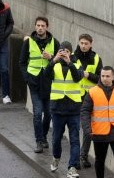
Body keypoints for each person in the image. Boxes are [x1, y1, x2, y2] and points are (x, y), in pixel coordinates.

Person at [48, 41, 85, 177]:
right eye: (62, 51)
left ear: (70, 52)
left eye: (67, 51)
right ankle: (56, 157)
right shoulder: (55, 64)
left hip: (73, 109)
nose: (64, 54)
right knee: (56, 138)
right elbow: (46, 75)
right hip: (57, 109)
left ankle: (72, 167)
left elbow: (77, 78)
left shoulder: (76, 64)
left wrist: (69, 63)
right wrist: (53, 60)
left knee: (74, 139)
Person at [22, 16, 58, 154]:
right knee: (37, 113)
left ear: (47, 27)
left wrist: (52, 58)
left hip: (48, 83)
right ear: (35, 26)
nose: (40, 28)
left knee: (48, 114)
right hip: (34, 82)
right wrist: (27, 78)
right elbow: (22, 62)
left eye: (43, 25)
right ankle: (39, 141)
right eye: (38, 25)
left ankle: (43, 136)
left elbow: (61, 62)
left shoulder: (54, 43)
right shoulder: (29, 42)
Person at [74, 34, 104, 169]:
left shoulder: (97, 58)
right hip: (74, 97)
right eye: (81, 43)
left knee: (87, 129)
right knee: (75, 129)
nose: (83, 46)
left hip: (91, 98)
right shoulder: (73, 57)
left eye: (86, 43)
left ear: (91, 44)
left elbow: (100, 79)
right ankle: (76, 158)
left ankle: (83, 156)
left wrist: (88, 75)